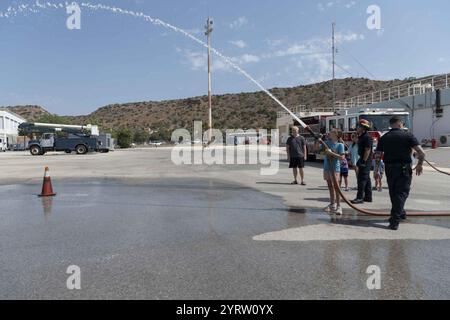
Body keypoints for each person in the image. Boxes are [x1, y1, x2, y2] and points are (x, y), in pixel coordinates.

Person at [375, 116, 425, 231]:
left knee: (393, 192)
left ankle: (400, 212)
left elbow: (378, 155)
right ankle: (395, 220)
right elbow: (421, 153)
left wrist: (377, 170)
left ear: (391, 125)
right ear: (400, 124)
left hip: (389, 168)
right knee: (402, 193)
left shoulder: (384, 137)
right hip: (403, 168)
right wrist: (419, 165)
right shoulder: (408, 136)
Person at [317, 129, 345, 215]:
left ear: (336, 135)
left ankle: (339, 206)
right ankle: (332, 204)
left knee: (336, 187)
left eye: (331, 133)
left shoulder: (340, 145)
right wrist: (318, 142)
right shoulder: (327, 143)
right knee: (330, 186)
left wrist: (331, 153)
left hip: (335, 168)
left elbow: (342, 158)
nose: (329, 134)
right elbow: (319, 151)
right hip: (327, 167)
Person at [351, 119, 373, 204]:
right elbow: (357, 142)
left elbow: (367, 150)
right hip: (363, 158)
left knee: (362, 179)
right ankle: (368, 197)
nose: (357, 128)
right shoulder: (362, 136)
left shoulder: (367, 137)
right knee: (367, 179)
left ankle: (359, 197)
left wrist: (363, 161)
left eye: (358, 126)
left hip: (365, 160)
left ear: (363, 128)